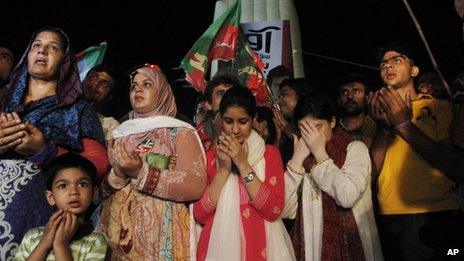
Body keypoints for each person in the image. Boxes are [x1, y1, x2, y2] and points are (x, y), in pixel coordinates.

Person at [0, 27, 108, 259]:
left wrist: (44, 151)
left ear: (64, 62)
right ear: (27, 55)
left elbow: (98, 165)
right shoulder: (3, 100)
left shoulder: (78, 110)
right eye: (36, 46)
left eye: (53, 48)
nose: (42, 51)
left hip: (36, 213)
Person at [99, 64, 207, 260]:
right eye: (134, 86)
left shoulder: (179, 132)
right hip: (115, 235)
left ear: (163, 92)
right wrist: (118, 175)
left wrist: (141, 172)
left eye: (147, 84)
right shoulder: (119, 134)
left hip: (161, 238)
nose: (137, 89)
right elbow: (101, 194)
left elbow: (195, 185)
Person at [367, 43, 464, 259]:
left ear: (414, 71)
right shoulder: (372, 117)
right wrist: (383, 129)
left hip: (441, 214)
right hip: (392, 219)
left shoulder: (440, 107)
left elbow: (457, 167)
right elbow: (368, 177)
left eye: (397, 60)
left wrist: (403, 127)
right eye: (383, 64)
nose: (388, 66)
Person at [193, 86, 295, 260]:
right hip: (219, 248)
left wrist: (243, 164)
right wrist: (224, 171)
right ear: (220, 120)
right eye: (228, 121)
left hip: (264, 247)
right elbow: (200, 214)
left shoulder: (269, 154)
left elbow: (273, 209)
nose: (234, 130)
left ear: (253, 119)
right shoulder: (210, 157)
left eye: (242, 121)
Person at [284, 94, 382, 260]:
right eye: (304, 130)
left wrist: (320, 154)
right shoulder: (302, 159)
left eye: (317, 127)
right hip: (311, 250)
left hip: (351, 248)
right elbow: (284, 209)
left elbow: (347, 196)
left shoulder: (354, 149)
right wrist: (296, 161)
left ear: (332, 122)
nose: (311, 136)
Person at [15, 153, 107, 260]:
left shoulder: (96, 241)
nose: (73, 192)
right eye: (63, 186)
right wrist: (44, 244)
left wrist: (60, 245)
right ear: (51, 197)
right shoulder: (32, 236)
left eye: (82, 184)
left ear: (94, 194)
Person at [273, 78, 317, 164]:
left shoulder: (317, 123)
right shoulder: (282, 133)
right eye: (279, 97)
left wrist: (284, 125)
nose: (279, 101)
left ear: (302, 96)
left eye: (285, 94)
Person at [195, 74, 241, 151]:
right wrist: (217, 138)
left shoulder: (247, 133)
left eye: (231, 94)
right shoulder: (196, 136)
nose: (227, 98)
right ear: (208, 104)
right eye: (220, 94)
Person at [337, 73, 376, 148]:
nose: (350, 96)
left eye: (356, 91)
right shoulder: (331, 129)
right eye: (345, 92)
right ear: (338, 100)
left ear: (367, 98)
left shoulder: (375, 129)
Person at [82, 64, 120, 140]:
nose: (96, 83)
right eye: (94, 76)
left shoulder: (110, 126)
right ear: (84, 79)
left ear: (109, 97)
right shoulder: (57, 104)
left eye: (105, 84)